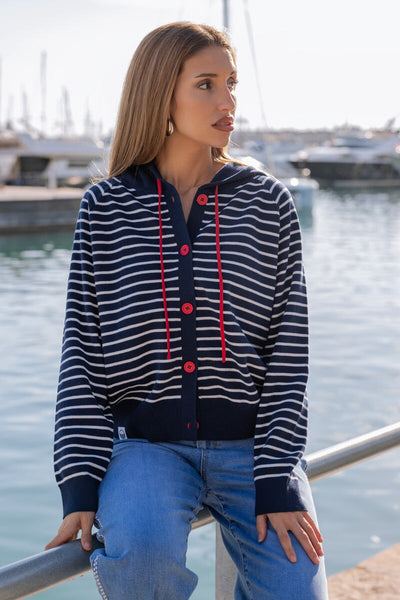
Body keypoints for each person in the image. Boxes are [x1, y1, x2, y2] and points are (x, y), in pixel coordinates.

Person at [46, 22, 329, 600]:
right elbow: (83, 354)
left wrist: (278, 477)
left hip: (255, 450)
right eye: (206, 84)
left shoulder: (268, 202)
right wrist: (79, 484)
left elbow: (288, 352)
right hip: (146, 450)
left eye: (231, 83)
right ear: (161, 96)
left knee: (296, 590)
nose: (228, 101)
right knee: (142, 561)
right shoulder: (105, 207)